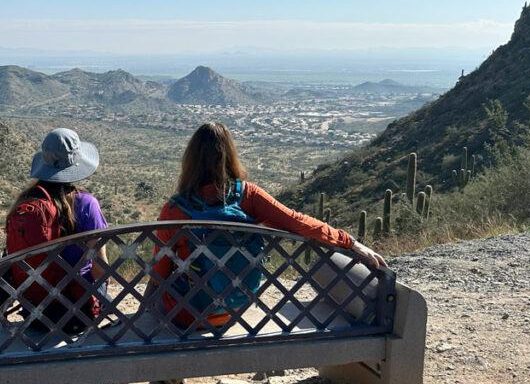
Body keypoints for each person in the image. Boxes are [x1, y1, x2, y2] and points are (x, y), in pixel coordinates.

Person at [151, 122, 386, 341]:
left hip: (188, 314)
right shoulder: (249, 196)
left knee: (158, 301)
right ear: (229, 156)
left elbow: (159, 273)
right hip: (234, 309)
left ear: (190, 160)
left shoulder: (174, 210)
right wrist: (349, 242)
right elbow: (297, 222)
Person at [4, 127, 116, 384]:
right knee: (103, 290)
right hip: (80, 314)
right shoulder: (87, 205)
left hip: (38, 314)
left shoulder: (24, 205)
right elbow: (101, 270)